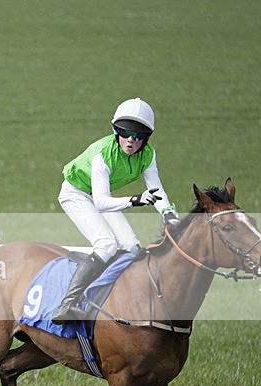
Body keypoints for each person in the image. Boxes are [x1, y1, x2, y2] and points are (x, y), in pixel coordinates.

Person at [52, 98, 179, 324]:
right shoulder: (103, 154)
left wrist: (169, 214)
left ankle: (109, 297)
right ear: (116, 132)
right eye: (125, 133)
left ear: (146, 138)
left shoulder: (148, 155)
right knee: (107, 244)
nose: (131, 140)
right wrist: (134, 200)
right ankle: (67, 304)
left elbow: (156, 189)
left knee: (132, 247)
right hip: (76, 194)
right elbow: (101, 202)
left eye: (138, 136)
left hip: (100, 196)